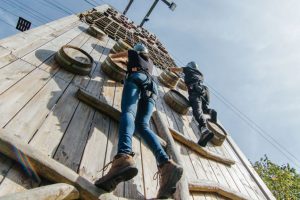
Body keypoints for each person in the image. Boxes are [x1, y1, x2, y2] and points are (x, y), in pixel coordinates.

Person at [94, 43, 183, 199]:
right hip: (152, 88)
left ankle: (123, 156)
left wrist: (118, 59)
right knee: (142, 125)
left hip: (135, 77)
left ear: (136, 51)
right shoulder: (150, 62)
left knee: (128, 112)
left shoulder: (132, 53)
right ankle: (166, 164)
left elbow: (114, 56)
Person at [169, 61, 216, 147]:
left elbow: (178, 69)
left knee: (197, 111)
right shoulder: (200, 74)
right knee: (203, 109)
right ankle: (211, 111)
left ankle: (204, 130)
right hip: (203, 92)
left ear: (190, 66)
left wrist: (170, 69)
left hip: (195, 91)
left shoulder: (188, 69)